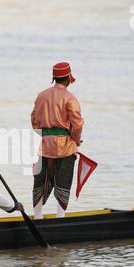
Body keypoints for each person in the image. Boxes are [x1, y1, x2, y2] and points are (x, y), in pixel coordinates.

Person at [31, 62, 84, 219]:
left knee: (41, 179)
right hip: (65, 146)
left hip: (45, 144)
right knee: (64, 179)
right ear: (68, 78)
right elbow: (77, 124)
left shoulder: (41, 95)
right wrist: (76, 140)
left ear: (54, 78)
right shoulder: (70, 98)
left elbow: (34, 120)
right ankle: (60, 217)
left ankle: (38, 216)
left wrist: (45, 136)